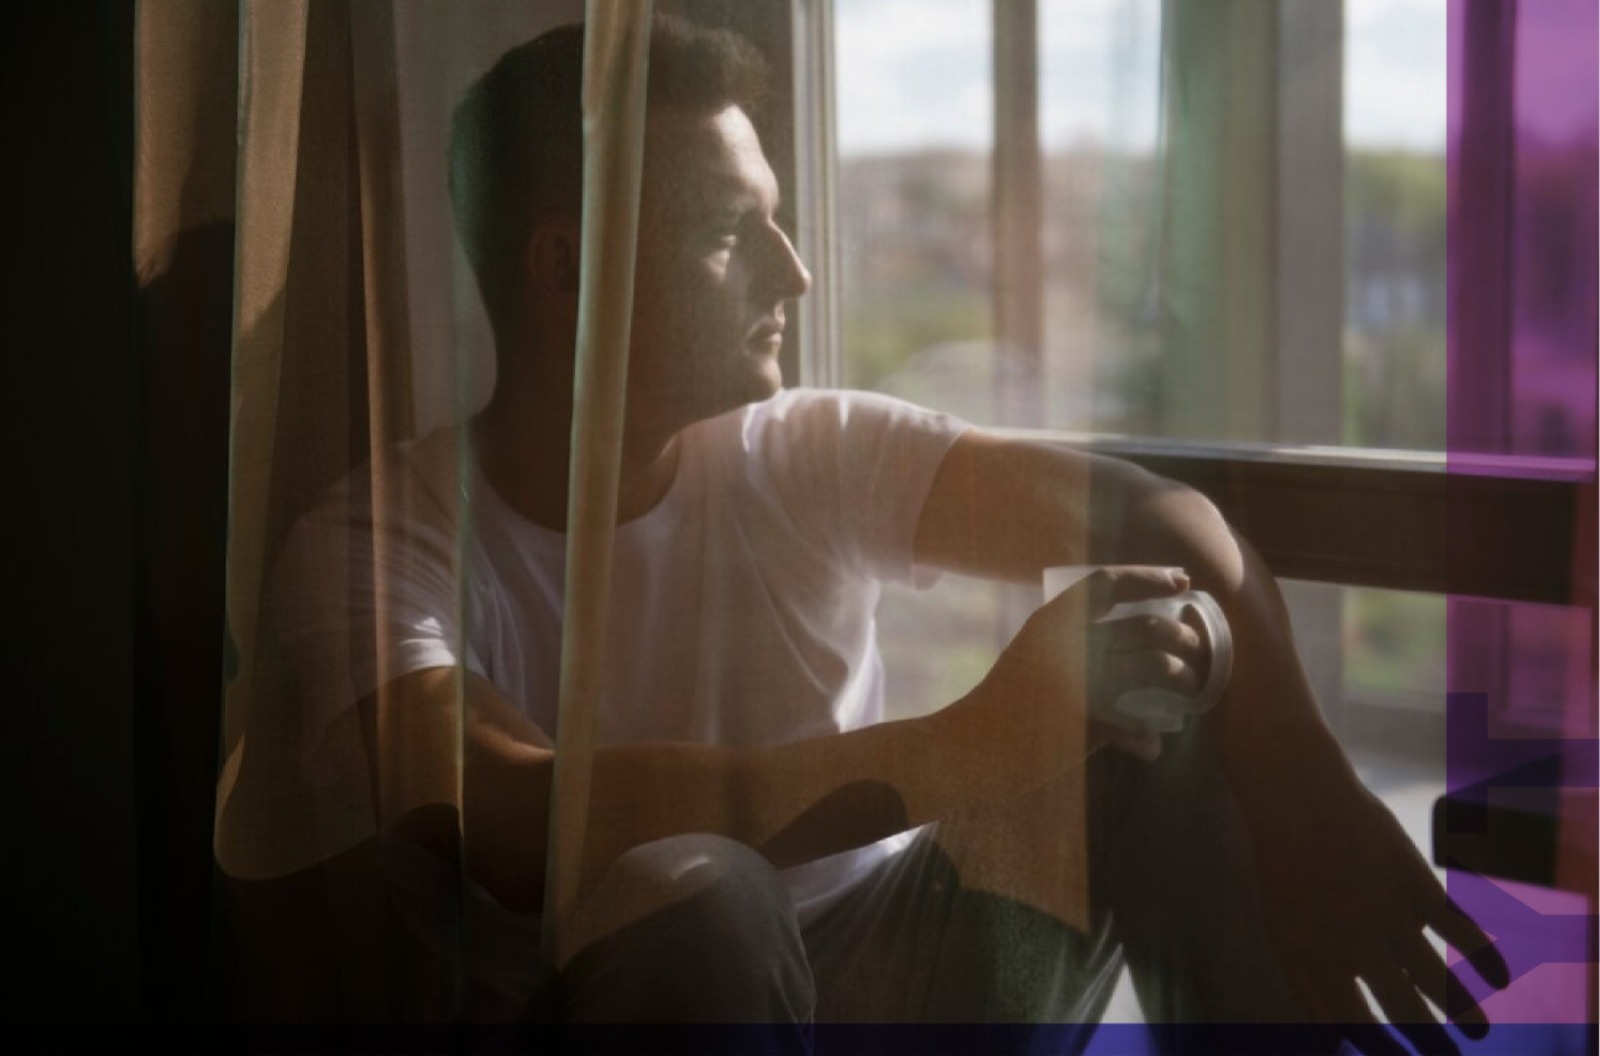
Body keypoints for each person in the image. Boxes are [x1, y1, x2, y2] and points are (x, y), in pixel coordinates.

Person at [271, 14, 1506, 1049]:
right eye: (726, 230)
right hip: (629, 1002)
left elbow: (1162, 516)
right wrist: (975, 742)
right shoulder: (377, 546)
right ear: (567, 271)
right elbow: (525, 823)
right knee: (703, 901)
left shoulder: (804, 448)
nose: (794, 272)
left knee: (1153, 678)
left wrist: (1307, 790)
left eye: (778, 218)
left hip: (896, 983)